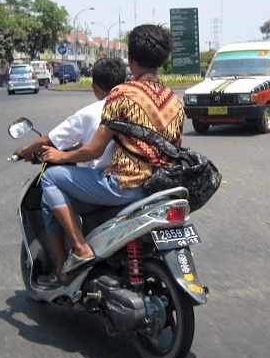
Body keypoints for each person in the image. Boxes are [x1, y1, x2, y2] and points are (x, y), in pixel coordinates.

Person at [40, 24, 185, 279]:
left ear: (131, 59)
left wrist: (61, 157)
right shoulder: (174, 99)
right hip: (160, 188)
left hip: (124, 186)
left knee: (51, 177)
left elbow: (94, 150)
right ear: (162, 60)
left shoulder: (122, 94)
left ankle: (80, 247)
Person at [14, 58, 126, 285]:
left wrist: (25, 151)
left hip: (110, 184)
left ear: (95, 86)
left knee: (50, 183)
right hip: (140, 181)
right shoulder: (135, 106)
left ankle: (69, 260)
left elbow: (53, 140)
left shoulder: (93, 112)